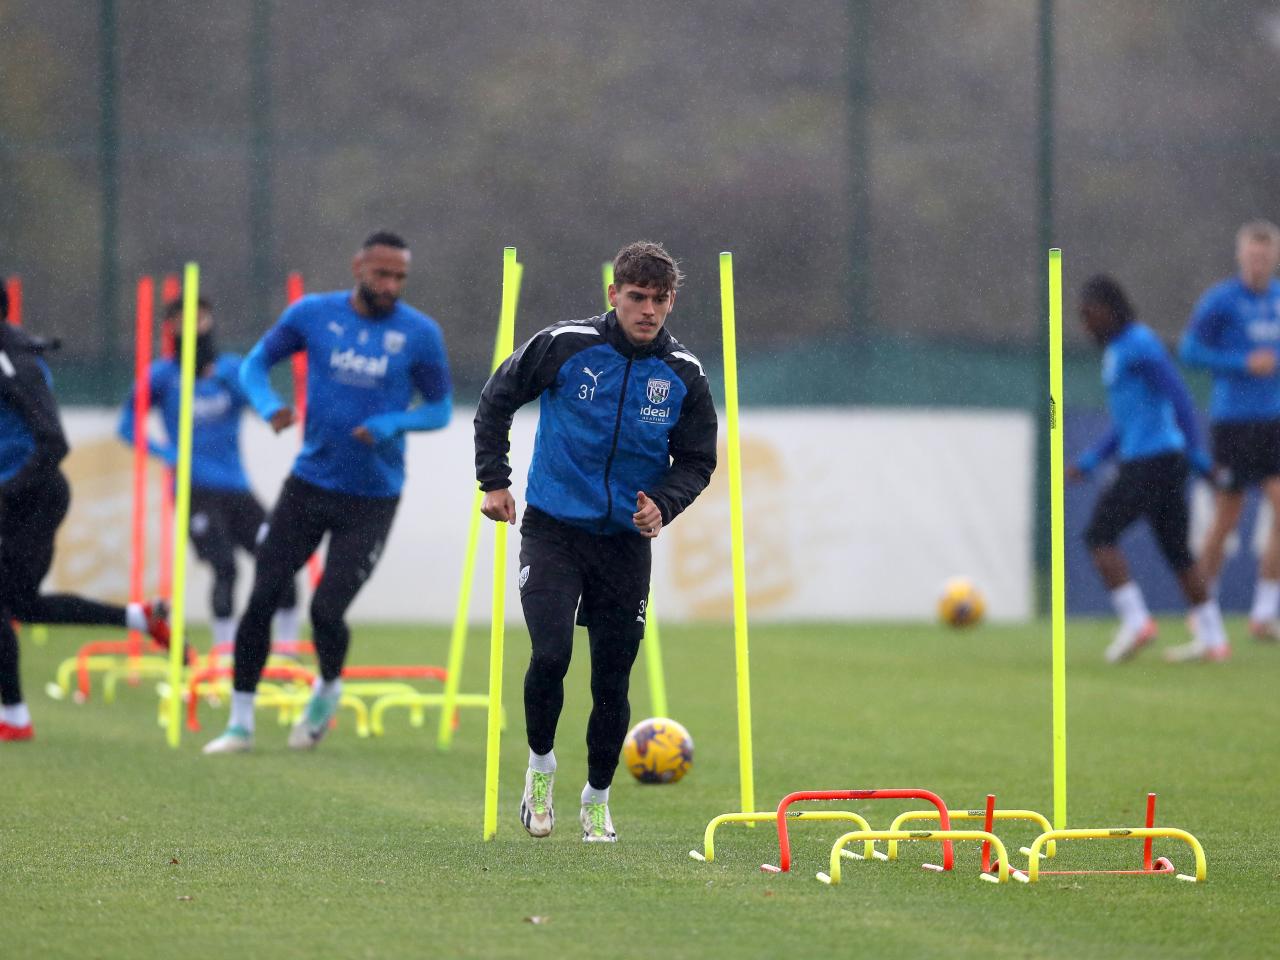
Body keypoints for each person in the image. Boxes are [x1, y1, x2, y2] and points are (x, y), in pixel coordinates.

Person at [474, 241, 717, 842]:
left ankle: (598, 799)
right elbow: (496, 399)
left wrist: (663, 503)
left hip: (623, 544)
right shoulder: (566, 345)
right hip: (554, 529)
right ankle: (539, 771)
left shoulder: (684, 373)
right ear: (614, 295)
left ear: (671, 303)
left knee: (612, 677)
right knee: (551, 655)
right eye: (637, 298)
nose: (648, 312)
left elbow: (697, 460)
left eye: (660, 301)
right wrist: (495, 482)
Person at [202, 231, 451, 754]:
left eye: (400, 277)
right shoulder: (312, 314)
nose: (390, 285)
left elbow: (439, 408)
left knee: (326, 611)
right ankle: (240, 723)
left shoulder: (420, 334)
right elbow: (253, 365)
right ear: (358, 266)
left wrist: (391, 423)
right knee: (263, 596)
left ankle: (328, 689)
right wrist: (269, 405)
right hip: (310, 485)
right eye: (382, 274)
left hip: (373, 498)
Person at [0, 283, 169, 742]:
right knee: (24, 606)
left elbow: (54, 442)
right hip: (22, 495)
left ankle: (14, 718)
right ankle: (141, 618)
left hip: (30, 497)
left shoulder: (12, 360)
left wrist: (8, 490)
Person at [118, 297, 301, 654]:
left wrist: (273, 411)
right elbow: (127, 426)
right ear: (169, 326)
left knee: (280, 559)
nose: (192, 327)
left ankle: (289, 651)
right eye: (181, 320)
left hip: (236, 487)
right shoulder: (161, 376)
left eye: (199, 319)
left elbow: (262, 400)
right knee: (225, 567)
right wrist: (166, 453)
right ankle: (225, 653)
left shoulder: (231, 370)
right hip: (193, 489)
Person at [1069, 276, 1229, 663]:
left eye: (1089, 315)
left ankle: (1137, 621)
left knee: (1098, 536)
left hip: (1151, 462)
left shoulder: (1139, 344)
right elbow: (1126, 422)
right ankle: (1214, 639)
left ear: (1110, 309)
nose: (1086, 324)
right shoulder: (1115, 351)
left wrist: (1196, 451)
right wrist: (1092, 458)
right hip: (1156, 460)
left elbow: (1178, 396)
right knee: (1178, 554)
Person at [1180, 220, 1280, 645]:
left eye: (1266, 255)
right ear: (1241, 257)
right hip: (1234, 422)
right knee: (1227, 517)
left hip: (1274, 420)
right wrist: (1241, 363)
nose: (1258, 263)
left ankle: (1264, 612)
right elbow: (1189, 350)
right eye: (1252, 255)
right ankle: (1202, 607)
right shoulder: (1221, 300)